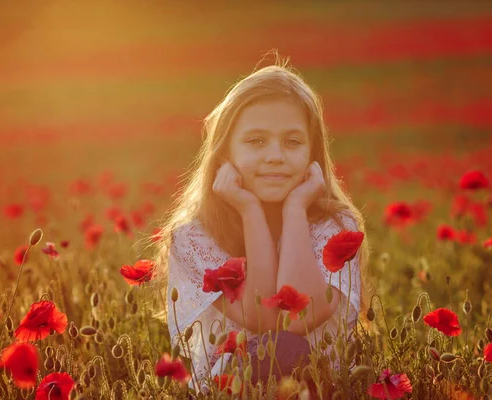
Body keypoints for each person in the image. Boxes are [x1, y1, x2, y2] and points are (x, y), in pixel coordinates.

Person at [153, 54, 371, 394]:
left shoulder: (335, 225)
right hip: (231, 389)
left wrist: (296, 209)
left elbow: (295, 319)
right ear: (224, 153)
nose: (275, 155)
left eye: (293, 142)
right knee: (280, 351)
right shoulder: (193, 236)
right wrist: (251, 211)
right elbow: (266, 321)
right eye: (256, 141)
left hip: (317, 385)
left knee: (291, 351)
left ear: (313, 155)